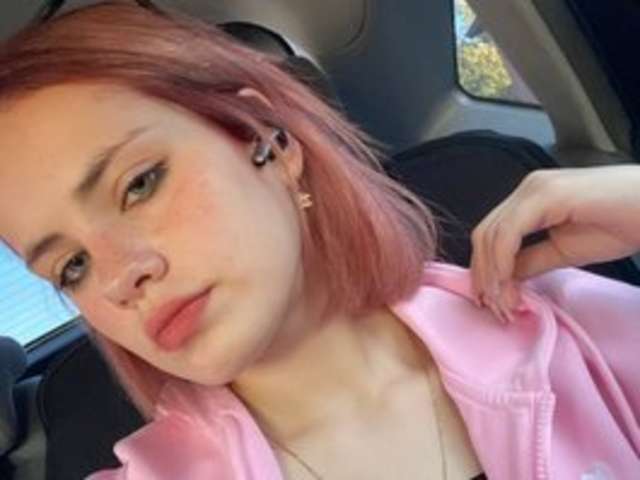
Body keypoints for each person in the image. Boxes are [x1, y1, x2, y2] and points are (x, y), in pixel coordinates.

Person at [0, 2, 637, 479]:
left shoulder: (564, 330)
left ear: (265, 138)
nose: (118, 277)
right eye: (72, 265)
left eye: (139, 185)